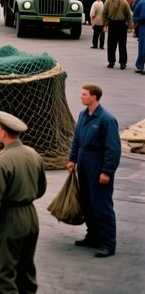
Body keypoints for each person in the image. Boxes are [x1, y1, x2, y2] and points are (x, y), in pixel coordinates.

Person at [0, 111, 47, 294]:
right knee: (25, 272)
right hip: (30, 216)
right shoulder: (33, 154)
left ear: (2, 132)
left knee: (2, 275)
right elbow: (41, 189)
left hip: (9, 219)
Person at [67, 83, 121, 257]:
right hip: (84, 162)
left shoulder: (106, 119)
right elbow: (76, 139)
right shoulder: (83, 115)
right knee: (87, 203)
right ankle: (93, 236)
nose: (81, 96)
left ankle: (108, 243)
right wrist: (72, 159)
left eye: (84, 94)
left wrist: (107, 171)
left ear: (94, 97)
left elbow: (113, 149)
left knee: (101, 205)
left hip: (98, 164)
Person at [102, 0, 132, 69]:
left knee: (122, 44)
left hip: (121, 24)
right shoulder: (108, 1)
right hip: (112, 24)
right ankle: (111, 62)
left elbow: (128, 15)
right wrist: (105, 25)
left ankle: (123, 63)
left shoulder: (123, 1)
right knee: (111, 44)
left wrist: (130, 27)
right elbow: (104, 14)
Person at [133, 0, 145, 74]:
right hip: (142, 27)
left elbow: (135, 15)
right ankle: (140, 66)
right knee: (142, 47)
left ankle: (140, 66)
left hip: (142, 27)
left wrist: (136, 20)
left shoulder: (140, 2)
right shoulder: (141, 2)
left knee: (142, 47)